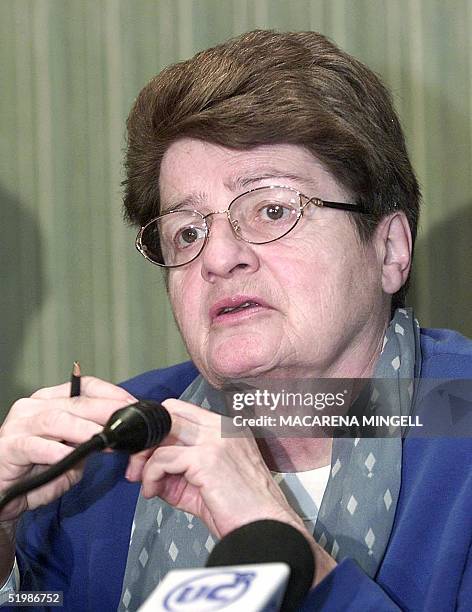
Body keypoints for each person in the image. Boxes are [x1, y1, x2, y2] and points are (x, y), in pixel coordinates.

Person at [0, 29, 471, 611]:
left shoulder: (460, 420)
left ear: (389, 250)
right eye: (188, 232)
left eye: (272, 210)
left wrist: (269, 532)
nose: (219, 258)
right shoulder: (114, 450)